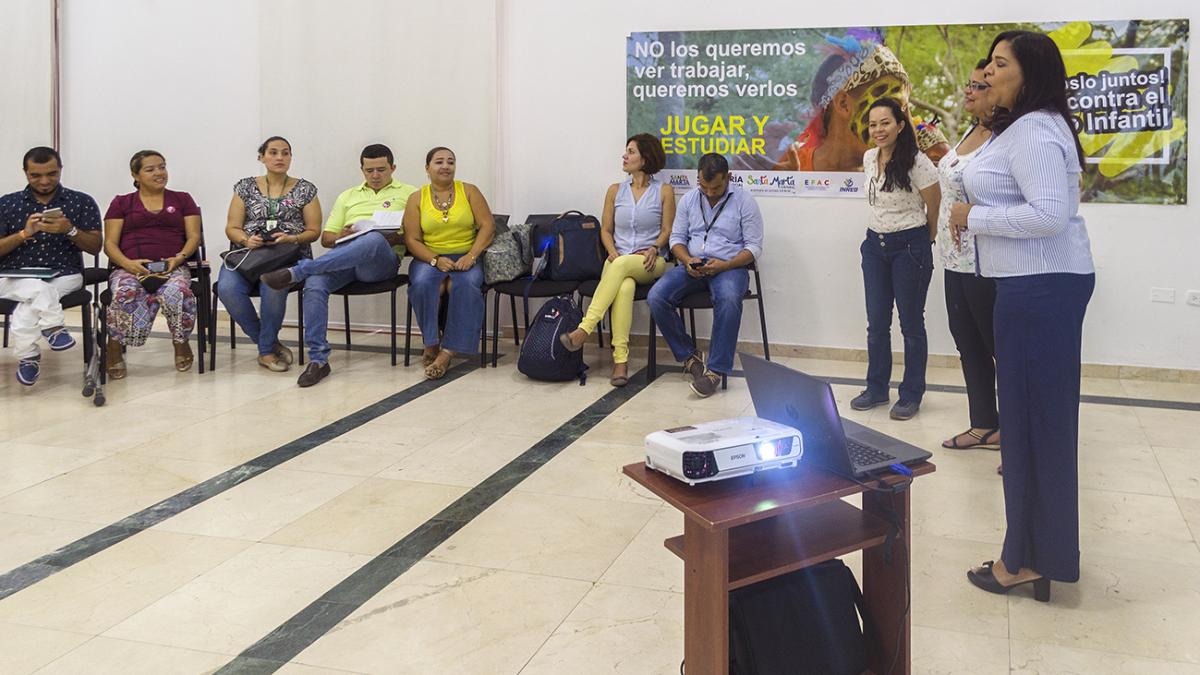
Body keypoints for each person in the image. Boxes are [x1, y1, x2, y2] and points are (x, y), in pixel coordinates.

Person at [951, 31, 1095, 601]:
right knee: (1034, 430)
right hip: (1032, 286)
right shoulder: (1027, 125)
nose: (987, 70)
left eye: (999, 63)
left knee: (1034, 432)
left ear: (1029, 74)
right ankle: (1034, 552)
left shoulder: (1034, 128)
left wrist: (972, 214)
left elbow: (1048, 217)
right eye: (988, 60)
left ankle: (1027, 559)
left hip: (1040, 289)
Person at [262, 144, 414, 387]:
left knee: (373, 238)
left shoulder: (411, 194)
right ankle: (318, 360)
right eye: (369, 170)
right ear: (362, 169)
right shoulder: (348, 196)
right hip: (345, 259)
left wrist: (394, 237)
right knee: (315, 283)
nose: (375, 175)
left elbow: (416, 238)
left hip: (380, 264)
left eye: (381, 170)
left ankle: (298, 270)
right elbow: (327, 239)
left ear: (393, 168)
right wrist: (343, 235)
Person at [850, 98, 941, 420]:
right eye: (873, 124)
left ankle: (911, 394)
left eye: (885, 123)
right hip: (874, 246)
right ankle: (876, 389)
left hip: (910, 247)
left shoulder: (917, 161)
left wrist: (926, 240)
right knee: (877, 324)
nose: (878, 130)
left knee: (911, 325)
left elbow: (935, 203)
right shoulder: (869, 157)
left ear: (900, 125)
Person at [561, 134, 674, 386]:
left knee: (621, 266)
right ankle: (620, 362)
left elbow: (667, 230)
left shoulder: (664, 191)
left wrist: (655, 247)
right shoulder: (615, 190)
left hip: (649, 261)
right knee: (624, 286)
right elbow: (606, 230)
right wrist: (611, 250)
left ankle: (584, 329)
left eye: (631, 152)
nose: (624, 156)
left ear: (645, 159)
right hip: (619, 258)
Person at [646, 153, 763, 398]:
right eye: (704, 186)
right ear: (697, 178)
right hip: (693, 265)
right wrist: (687, 260)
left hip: (730, 267)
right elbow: (677, 239)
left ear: (728, 178)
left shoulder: (744, 201)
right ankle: (690, 357)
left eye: (716, 187)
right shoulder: (689, 199)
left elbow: (754, 247)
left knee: (729, 299)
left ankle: (715, 371)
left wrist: (725, 264)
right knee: (656, 296)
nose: (709, 192)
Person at [218, 136, 322, 372]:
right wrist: (246, 239)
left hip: (287, 256)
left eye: (285, 153)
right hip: (247, 255)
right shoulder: (244, 187)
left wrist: (291, 238)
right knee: (226, 289)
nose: (280, 158)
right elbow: (232, 227)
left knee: (273, 287)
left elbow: (314, 231)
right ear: (261, 157)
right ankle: (268, 343)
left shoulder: (305, 189)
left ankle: (265, 352)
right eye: (273, 153)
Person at [937, 61, 1000, 451]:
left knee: (999, 348)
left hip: (985, 260)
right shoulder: (971, 130)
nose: (969, 91)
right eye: (969, 83)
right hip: (953, 257)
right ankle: (983, 424)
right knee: (967, 342)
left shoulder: (1006, 137)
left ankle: (1014, 429)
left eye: (979, 85)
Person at [0, 147, 102, 385]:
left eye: (52, 174)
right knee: (36, 290)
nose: (45, 181)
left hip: (64, 274)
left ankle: (29, 356)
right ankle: (53, 327)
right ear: (25, 173)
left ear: (61, 170)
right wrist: (24, 233)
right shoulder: (6, 204)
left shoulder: (81, 201)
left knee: (33, 297)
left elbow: (95, 247)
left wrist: (70, 230)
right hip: (13, 276)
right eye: (36, 175)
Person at [103, 150, 202, 378]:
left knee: (178, 292)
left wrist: (179, 257)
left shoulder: (182, 199)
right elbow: (109, 244)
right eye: (150, 169)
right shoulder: (122, 203)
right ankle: (115, 346)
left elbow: (193, 237)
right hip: (130, 267)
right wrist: (128, 264)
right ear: (135, 175)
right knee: (124, 292)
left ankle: (180, 342)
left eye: (162, 167)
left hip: (173, 265)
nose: (159, 173)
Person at [402, 147, 495, 380]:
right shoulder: (416, 198)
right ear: (427, 168)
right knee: (423, 283)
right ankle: (431, 342)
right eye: (439, 162)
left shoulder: (469, 191)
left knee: (465, 287)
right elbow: (411, 239)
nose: (445, 166)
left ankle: (446, 353)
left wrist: (472, 255)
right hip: (429, 257)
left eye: (450, 162)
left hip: (466, 254)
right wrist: (435, 259)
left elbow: (488, 226)